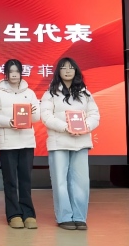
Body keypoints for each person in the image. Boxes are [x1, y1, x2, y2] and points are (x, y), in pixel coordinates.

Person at [41, 57, 100, 230]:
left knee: (81, 181)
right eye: (64, 68)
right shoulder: (50, 93)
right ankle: (64, 217)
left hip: (81, 142)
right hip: (59, 142)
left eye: (71, 68)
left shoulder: (85, 93)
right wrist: (65, 127)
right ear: (58, 71)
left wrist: (85, 127)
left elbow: (95, 115)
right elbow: (46, 116)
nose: (67, 71)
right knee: (60, 181)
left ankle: (80, 217)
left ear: (76, 71)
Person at [0, 59, 40, 229]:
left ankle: (28, 213)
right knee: (10, 180)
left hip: (26, 141)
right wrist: (9, 122)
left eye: (17, 71)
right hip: (7, 142)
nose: (14, 75)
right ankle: (13, 214)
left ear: (21, 73)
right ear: (5, 73)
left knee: (25, 179)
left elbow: (36, 117)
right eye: (10, 72)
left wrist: (33, 113)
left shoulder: (30, 93)